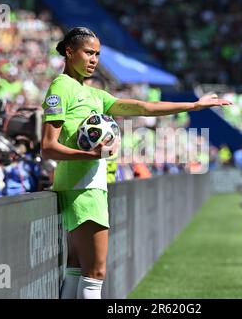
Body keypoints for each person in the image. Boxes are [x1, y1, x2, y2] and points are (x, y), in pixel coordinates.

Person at [40, 27, 230, 299]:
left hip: (84, 186)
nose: (94, 59)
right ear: (70, 52)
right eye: (88, 52)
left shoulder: (94, 94)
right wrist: (92, 156)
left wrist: (193, 106)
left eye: (97, 54)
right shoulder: (62, 87)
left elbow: (143, 107)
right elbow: (48, 147)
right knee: (96, 273)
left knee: (77, 267)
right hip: (83, 190)